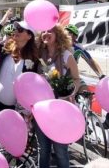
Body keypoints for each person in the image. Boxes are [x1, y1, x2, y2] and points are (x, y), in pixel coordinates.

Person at [37, 25, 81, 168]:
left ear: (58, 35)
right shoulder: (38, 54)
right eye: (44, 31)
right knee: (43, 150)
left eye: (50, 31)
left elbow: (76, 79)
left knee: (61, 152)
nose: (46, 33)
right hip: (41, 110)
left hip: (60, 111)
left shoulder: (66, 55)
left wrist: (69, 93)